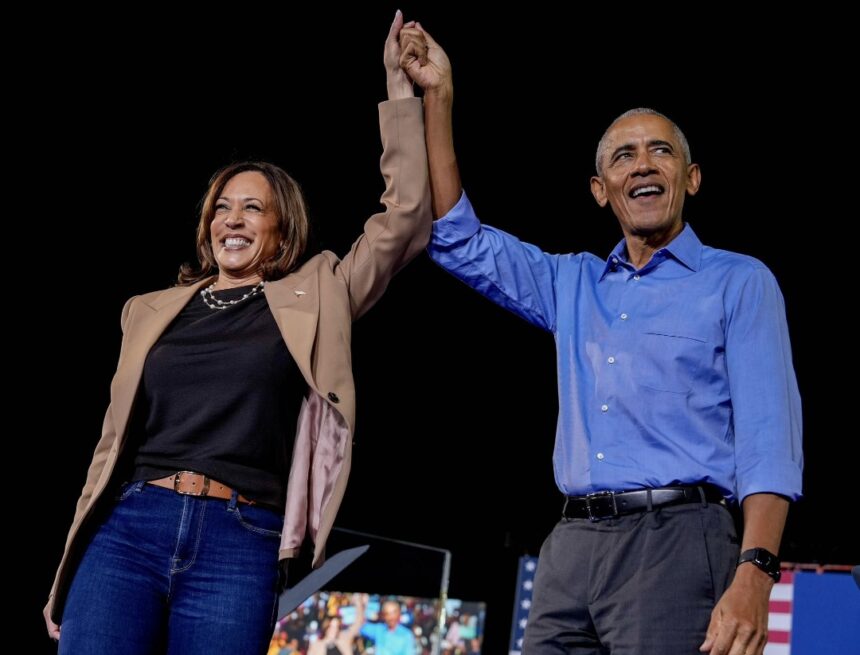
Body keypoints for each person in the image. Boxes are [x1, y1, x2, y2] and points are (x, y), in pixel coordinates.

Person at [398, 25, 803, 655]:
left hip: (679, 542)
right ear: (600, 190)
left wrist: (757, 570)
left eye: (660, 152)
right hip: (570, 550)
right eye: (623, 156)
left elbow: (769, 441)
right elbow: (457, 238)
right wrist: (440, 96)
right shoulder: (571, 283)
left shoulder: (739, 282)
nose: (642, 164)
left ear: (691, 178)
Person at [42, 12, 431, 654]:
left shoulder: (318, 294)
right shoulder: (147, 310)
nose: (233, 218)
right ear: (206, 227)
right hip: (129, 529)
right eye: (222, 206)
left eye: (253, 207)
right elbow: (107, 448)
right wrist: (66, 569)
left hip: (240, 537)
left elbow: (408, 214)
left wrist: (398, 88)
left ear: (283, 229)